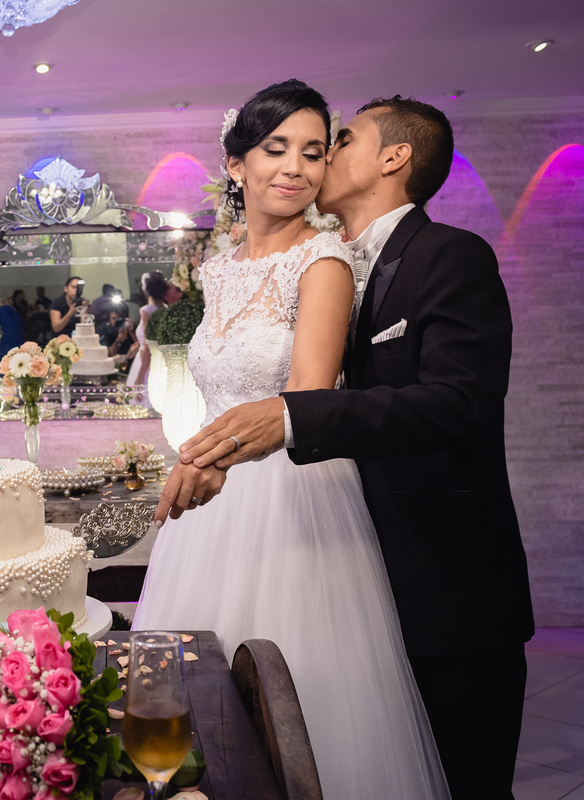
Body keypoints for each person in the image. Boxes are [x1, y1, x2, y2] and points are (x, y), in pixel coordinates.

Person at [170, 94, 532, 800]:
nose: (319, 157)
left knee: (456, 780)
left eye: (336, 141)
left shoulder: (449, 256)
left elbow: (460, 401)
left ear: (393, 158)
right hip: (344, 556)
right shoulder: (318, 257)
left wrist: (291, 416)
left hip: (443, 582)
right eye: (290, 147)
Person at [133, 81, 450, 799]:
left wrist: (218, 457)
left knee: (293, 705)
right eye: (276, 149)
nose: (296, 168)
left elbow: (306, 396)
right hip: (210, 509)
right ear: (236, 162)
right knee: (199, 709)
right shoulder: (215, 269)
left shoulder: (325, 260)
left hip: (296, 494)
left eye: (313, 152)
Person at [125, 271, 169, 386]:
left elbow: (149, 342)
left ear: (145, 289)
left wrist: (140, 376)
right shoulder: (166, 308)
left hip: (146, 360)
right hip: (161, 359)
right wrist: (138, 344)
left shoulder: (147, 311)